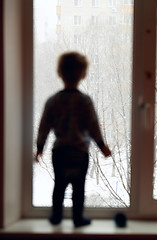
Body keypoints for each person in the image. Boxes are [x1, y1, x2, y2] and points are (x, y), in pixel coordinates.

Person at [35, 51, 111, 227]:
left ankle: (56, 217)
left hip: (60, 151)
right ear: (84, 74)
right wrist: (102, 147)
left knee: (59, 185)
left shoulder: (53, 100)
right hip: (79, 151)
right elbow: (93, 127)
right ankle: (78, 218)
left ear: (59, 73)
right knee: (78, 187)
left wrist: (40, 148)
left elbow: (43, 127)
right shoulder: (85, 101)